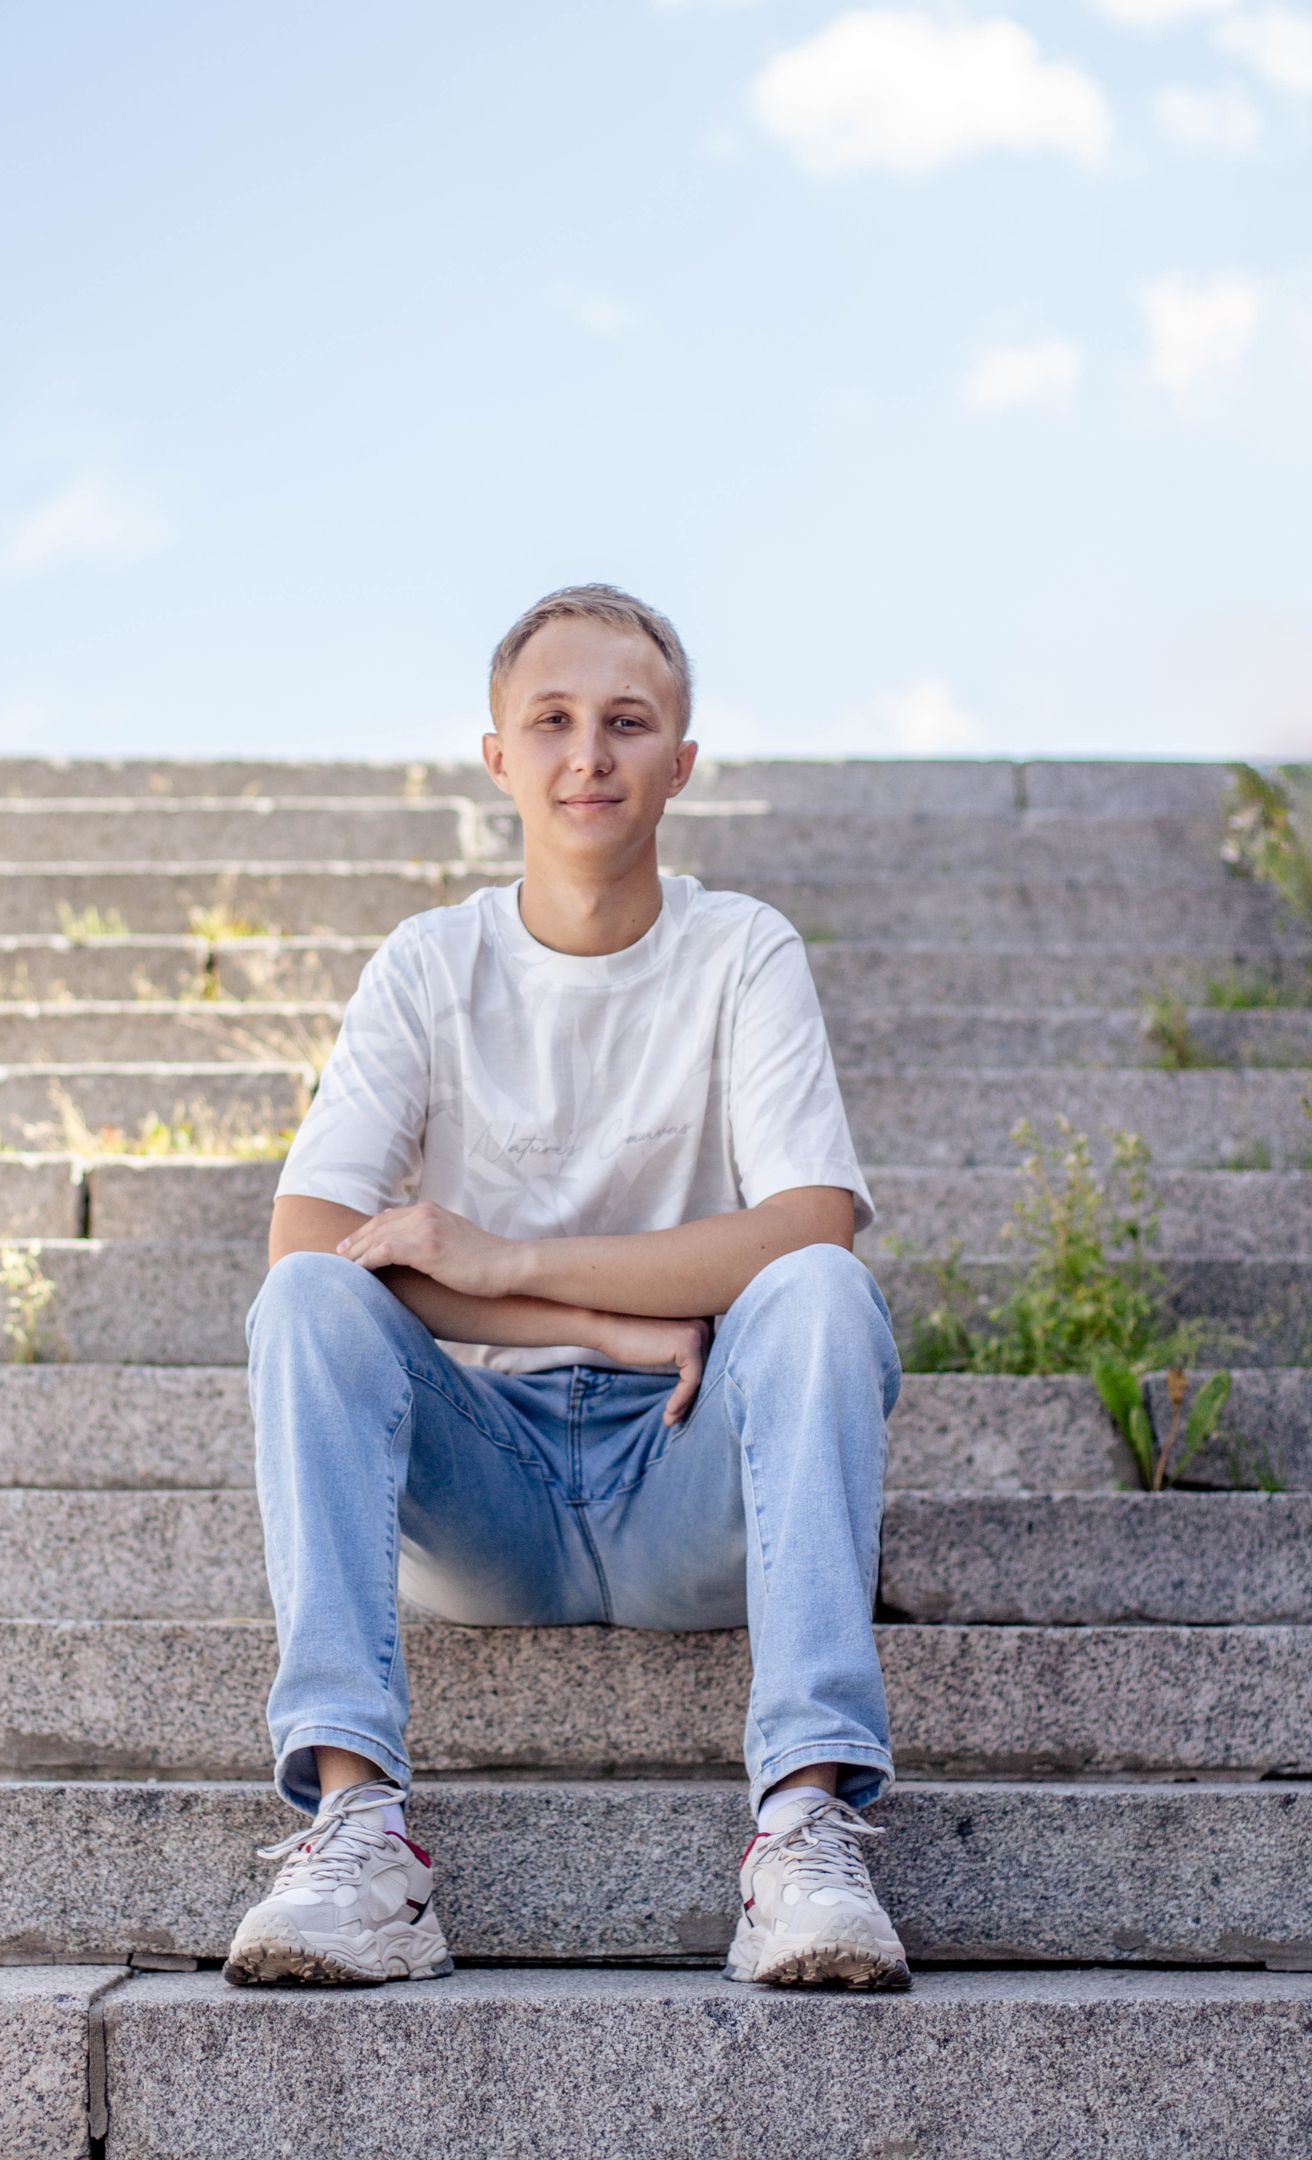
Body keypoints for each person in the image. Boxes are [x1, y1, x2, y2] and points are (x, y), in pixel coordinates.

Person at [223, 581, 909, 1992]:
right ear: (497, 756)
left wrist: (508, 1257)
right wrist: (599, 1320)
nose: (588, 754)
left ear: (682, 762)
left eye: (627, 722)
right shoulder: (432, 965)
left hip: (687, 1480)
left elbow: (810, 1221)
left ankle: (802, 1831)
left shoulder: (743, 949)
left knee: (824, 1294)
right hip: (488, 1491)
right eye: (551, 720)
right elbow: (313, 1237)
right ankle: (358, 1836)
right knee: (305, 1304)